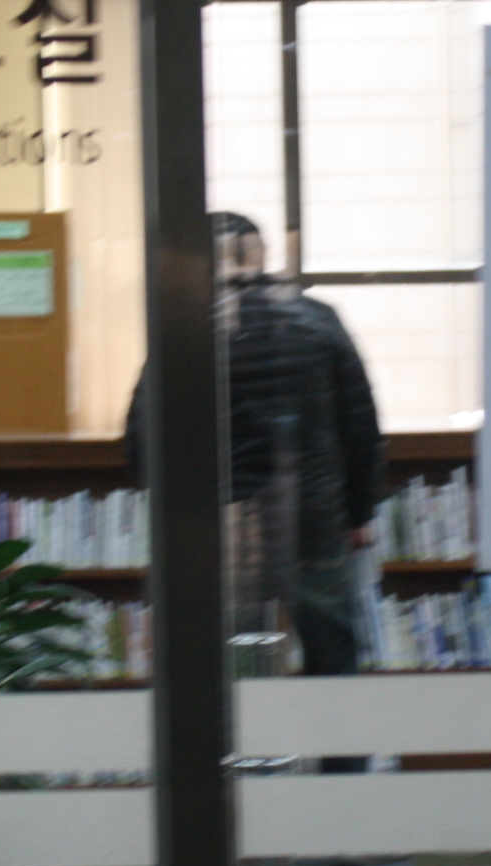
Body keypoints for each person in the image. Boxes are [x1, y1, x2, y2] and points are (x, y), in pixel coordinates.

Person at [126, 211, 385, 675]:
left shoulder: (184, 328)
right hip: (313, 518)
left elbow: (141, 435)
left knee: (232, 664)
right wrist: (359, 513)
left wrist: (173, 509)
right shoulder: (318, 318)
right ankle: (337, 725)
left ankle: (242, 725)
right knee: (332, 655)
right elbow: (360, 426)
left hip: (220, 526)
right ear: (261, 254)